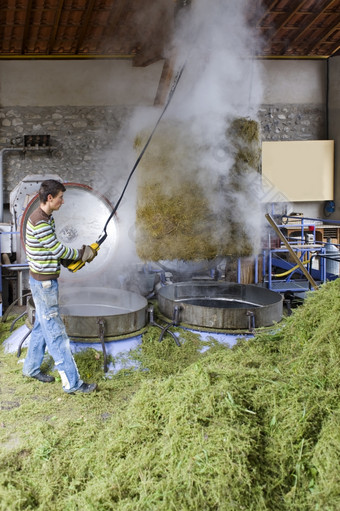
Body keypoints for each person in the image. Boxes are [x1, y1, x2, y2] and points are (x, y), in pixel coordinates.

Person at [23, 179, 98, 394]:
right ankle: (72, 384)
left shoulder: (47, 218)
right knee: (56, 333)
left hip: (42, 280)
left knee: (41, 326)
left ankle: (30, 368)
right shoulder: (40, 221)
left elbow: (51, 251)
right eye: (60, 198)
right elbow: (57, 249)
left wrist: (68, 262)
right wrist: (82, 253)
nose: (62, 201)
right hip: (44, 284)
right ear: (49, 198)